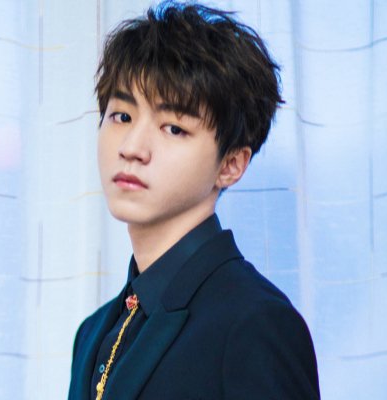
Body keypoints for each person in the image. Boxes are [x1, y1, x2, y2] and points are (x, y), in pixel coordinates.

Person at [68, 2, 320, 399]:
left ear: (231, 164)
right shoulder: (93, 332)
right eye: (122, 117)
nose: (132, 148)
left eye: (173, 128)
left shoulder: (254, 323)